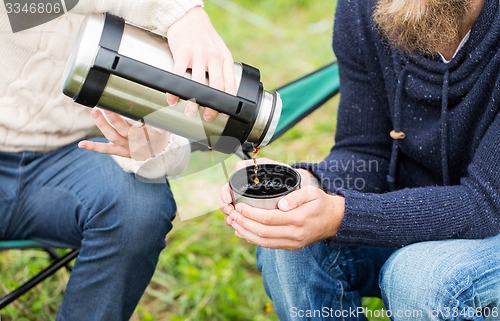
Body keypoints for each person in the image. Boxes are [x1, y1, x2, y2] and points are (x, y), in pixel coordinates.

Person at [221, 0, 499, 320]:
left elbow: (486, 202)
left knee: (419, 278)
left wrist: (339, 215)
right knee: (288, 245)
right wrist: (306, 186)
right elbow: (363, 149)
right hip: (414, 213)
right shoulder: (366, 8)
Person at [0, 0, 234, 320]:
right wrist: (180, 14)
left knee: (139, 208)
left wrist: (155, 149)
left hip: (73, 155)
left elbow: (181, 137)